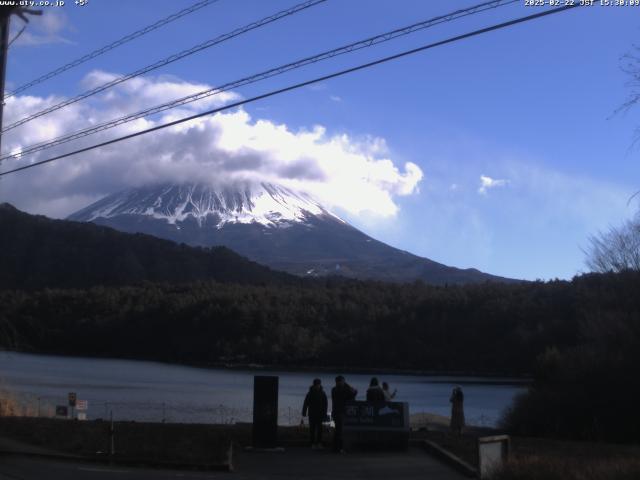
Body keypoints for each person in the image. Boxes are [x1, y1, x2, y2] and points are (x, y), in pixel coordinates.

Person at [331, 375, 357, 453]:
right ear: (340, 382)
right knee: (340, 431)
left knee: (337, 431)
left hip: (336, 412)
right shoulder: (343, 390)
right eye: (343, 381)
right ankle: (339, 448)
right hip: (340, 412)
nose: (344, 383)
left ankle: (336, 447)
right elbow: (354, 393)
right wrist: (347, 385)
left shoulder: (334, 390)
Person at [302, 378, 328, 449]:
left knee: (320, 429)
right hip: (312, 413)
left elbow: (325, 404)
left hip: (320, 414)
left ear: (320, 385)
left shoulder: (323, 393)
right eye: (316, 385)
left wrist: (325, 414)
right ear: (313, 385)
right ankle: (312, 443)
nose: (317, 386)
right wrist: (304, 412)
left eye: (318, 384)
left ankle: (319, 443)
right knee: (312, 429)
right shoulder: (310, 393)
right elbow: (306, 403)